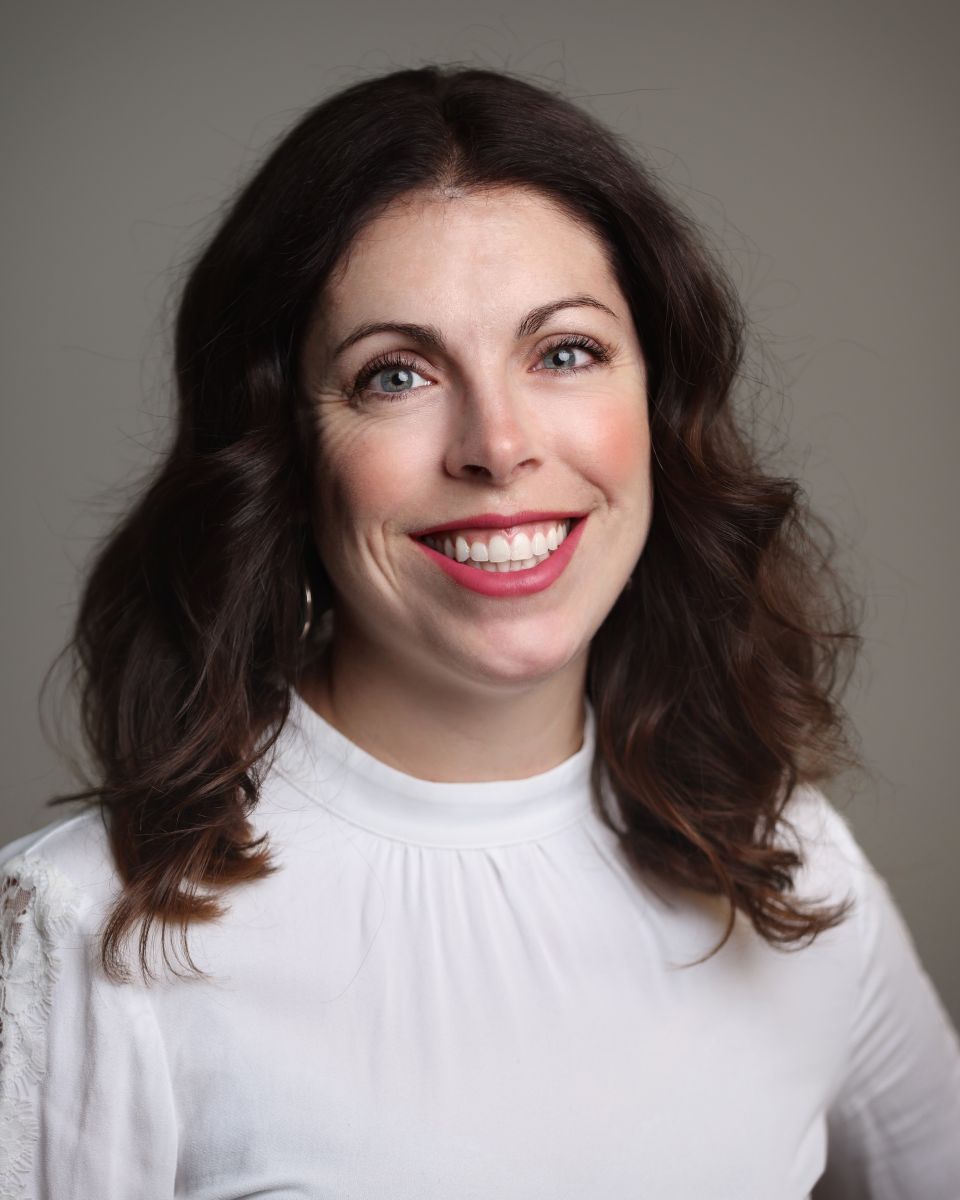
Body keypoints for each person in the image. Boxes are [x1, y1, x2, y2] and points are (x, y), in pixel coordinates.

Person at [0, 63, 957, 1200]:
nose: (497, 446)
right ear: (285, 462)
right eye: (395, 374)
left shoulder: (787, 861)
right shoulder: (92, 936)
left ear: (657, 407)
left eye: (564, 352)